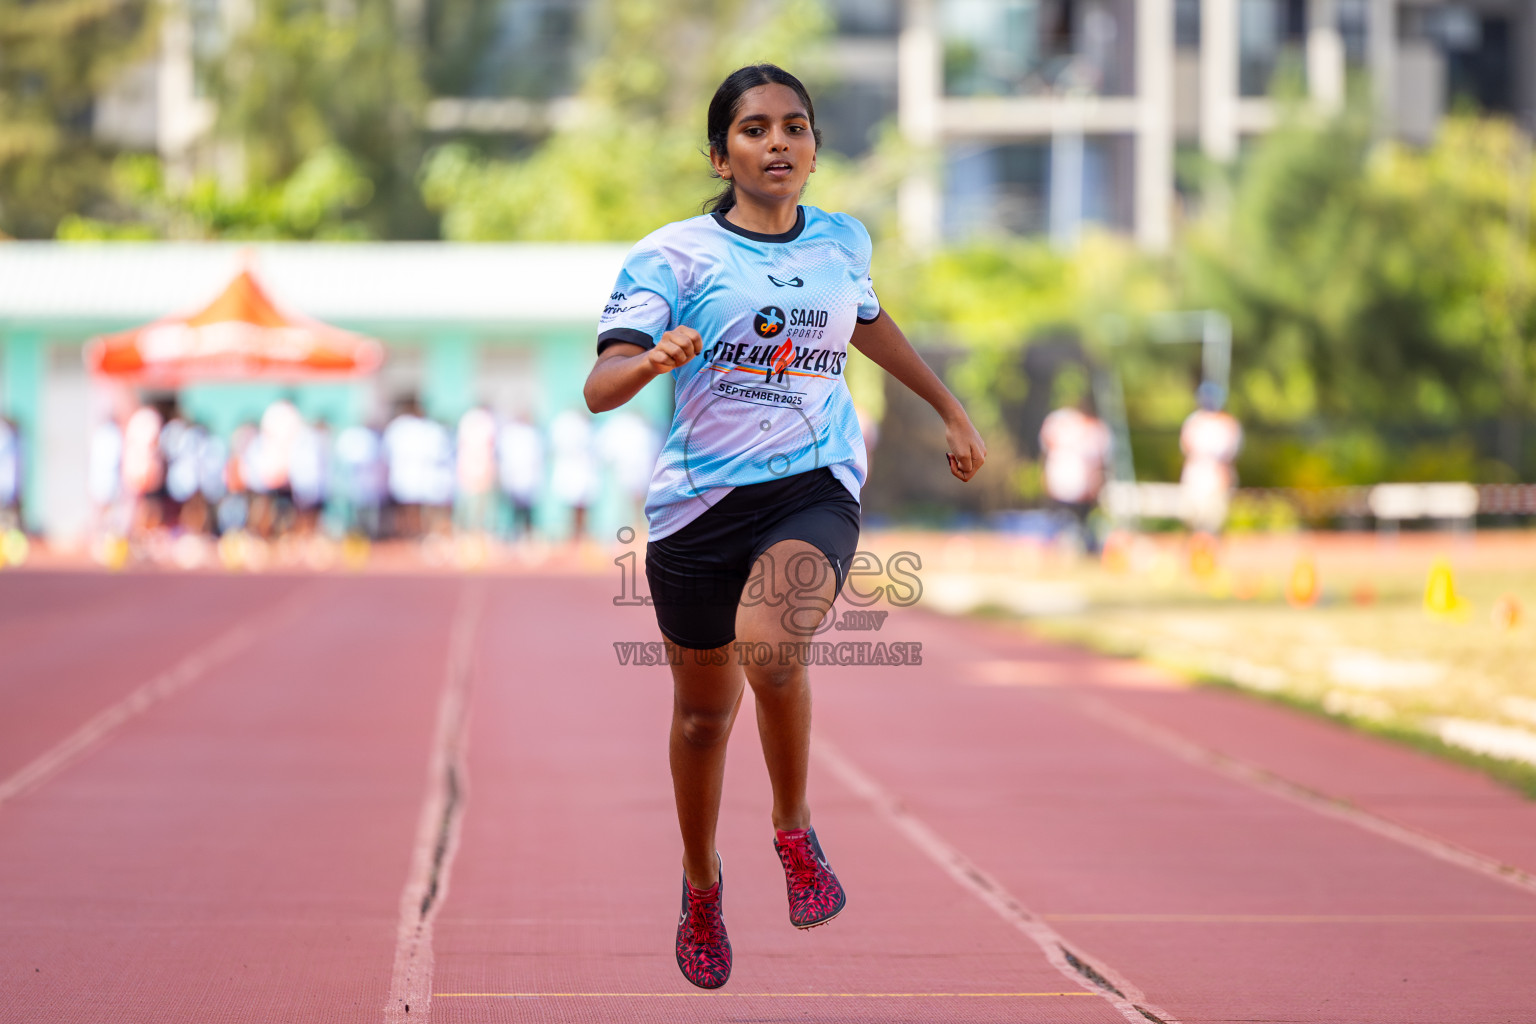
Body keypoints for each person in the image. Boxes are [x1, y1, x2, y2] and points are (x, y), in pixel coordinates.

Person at [582, 64, 985, 991]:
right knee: (697, 717)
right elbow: (601, 387)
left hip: (814, 482)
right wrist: (650, 361)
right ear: (721, 154)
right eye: (755, 129)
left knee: (774, 646)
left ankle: (794, 830)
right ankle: (701, 884)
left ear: (813, 147)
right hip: (697, 508)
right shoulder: (671, 257)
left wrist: (949, 409)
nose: (777, 143)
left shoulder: (843, 241)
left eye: (794, 127)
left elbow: (868, 328)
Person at [1039, 389, 1111, 549]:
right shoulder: (1060, 421)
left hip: (1080, 488)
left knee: (1079, 530)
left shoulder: (1096, 428)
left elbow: (1099, 463)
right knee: (1055, 527)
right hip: (1060, 483)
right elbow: (1046, 452)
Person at [1180, 381, 1243, 536]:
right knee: (1193, 519)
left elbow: (1230, 453)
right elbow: (1187, 447)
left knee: (1214, 521)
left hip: (1216, 476)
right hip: (1197, 474)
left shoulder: (1228, 422)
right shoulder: (1194, 421)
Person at [497, 413, 544, 540]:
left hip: (527, 477)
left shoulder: (531, 433)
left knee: (528, 511)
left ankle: (527, 536)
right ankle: (515, 536)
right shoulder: (510, 433)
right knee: (514, 511)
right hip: (515, 477)